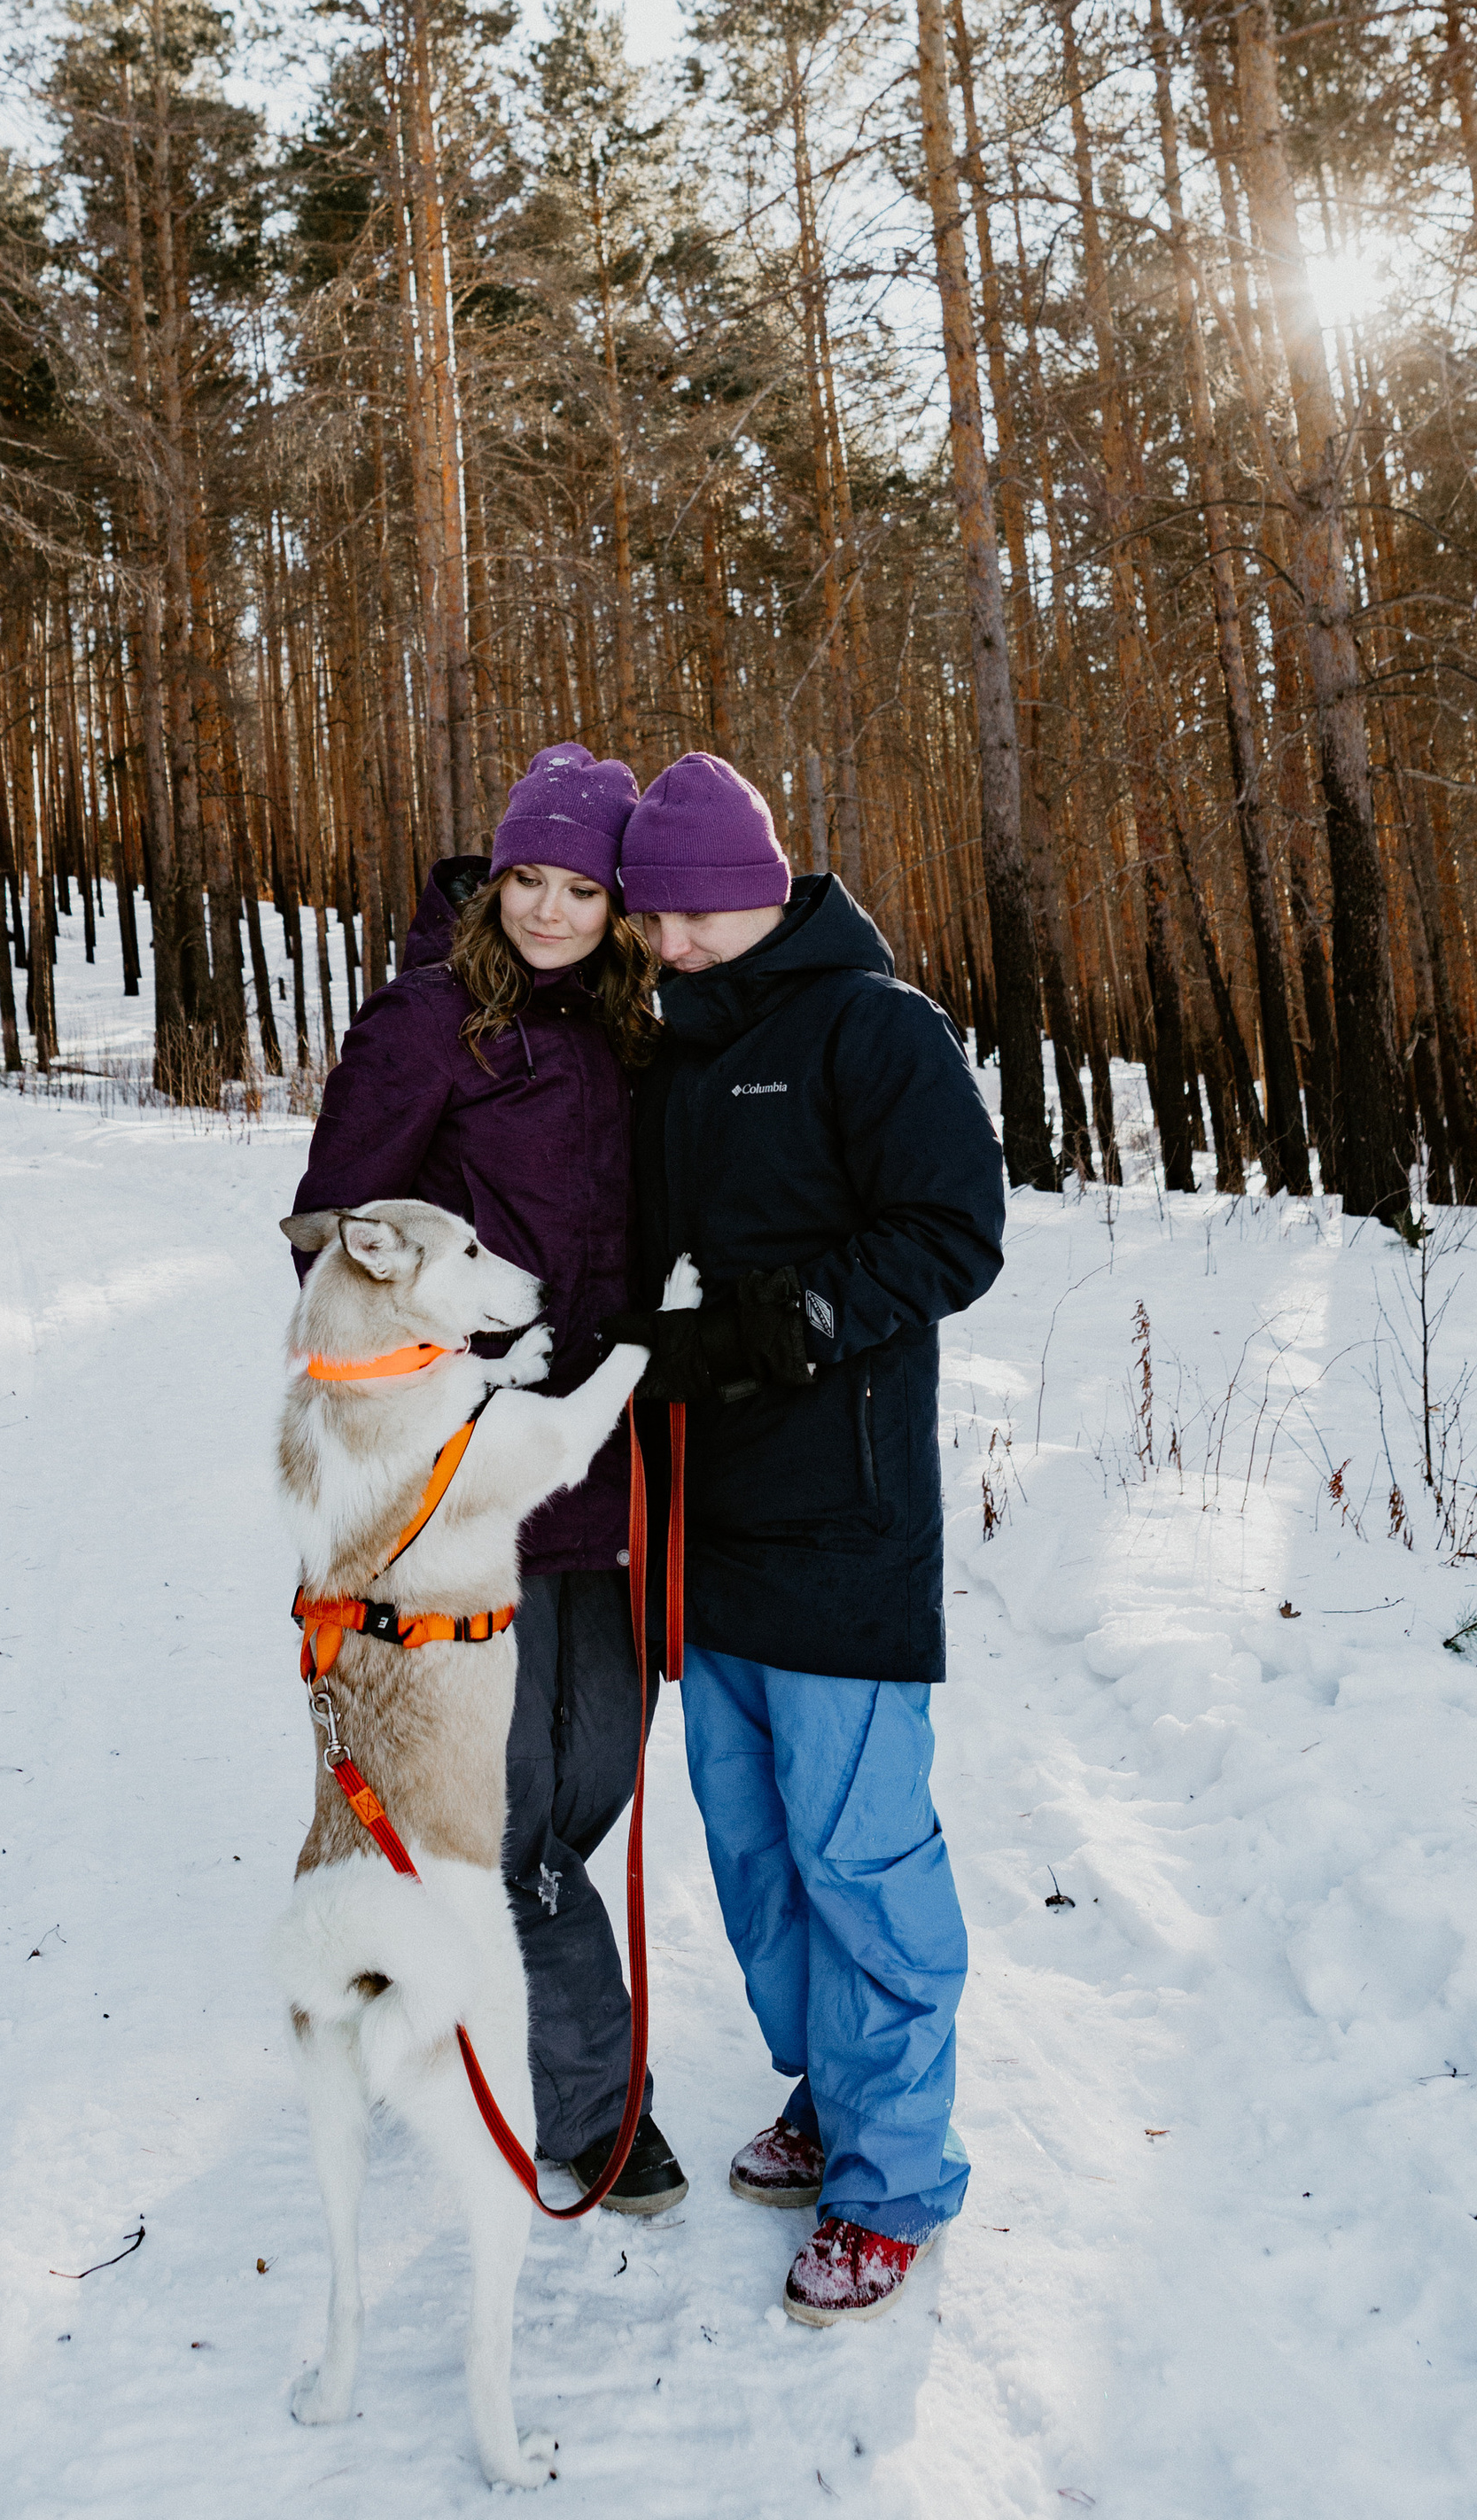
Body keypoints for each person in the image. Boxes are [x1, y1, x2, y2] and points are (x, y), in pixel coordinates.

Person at [600, 751, 1006, 2322]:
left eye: (698, 914)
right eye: (660, 920)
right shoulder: (674, 1055)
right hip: (709, 1526)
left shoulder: (873, 1026)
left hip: (841, 1521)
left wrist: (809, 1314)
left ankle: (896, 2178)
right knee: (760, 1862)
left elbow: (954, 1228)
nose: (678, 943)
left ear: (767, 885)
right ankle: (834, 2094)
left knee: (861, 1857)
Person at [288, 743, 688, 2216]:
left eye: (581, 885)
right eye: (527, 877)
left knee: (588, 1783)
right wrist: (436, 1373)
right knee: (513, 1812)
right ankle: (600, 2106)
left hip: (608, 1470)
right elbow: (334, 1234)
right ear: (495, 876)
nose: (548, 908)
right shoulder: (430, 1021)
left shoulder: (639, 1025)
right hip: (473, 1478)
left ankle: (423, 1971)